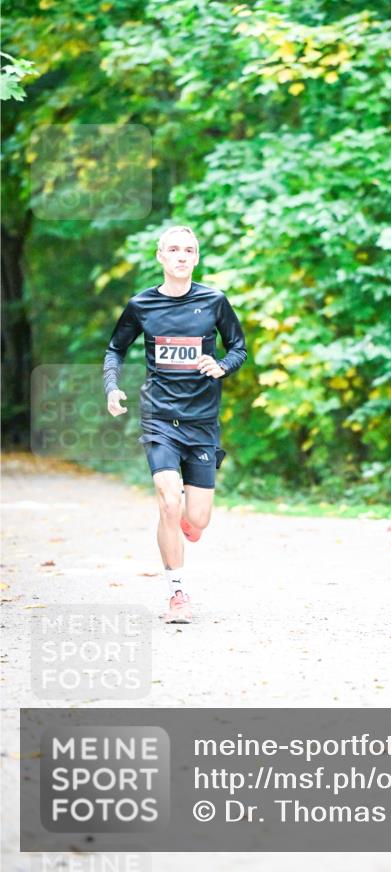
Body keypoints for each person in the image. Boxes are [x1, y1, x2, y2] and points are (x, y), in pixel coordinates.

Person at [103, 226, 247, 623]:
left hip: (202, 422)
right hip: (159, 417)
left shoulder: (214, 301)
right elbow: (115, 349)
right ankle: (177, 593)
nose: (181, 256)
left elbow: (239, 348)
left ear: (196, 258)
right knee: (168, 501)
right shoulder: (142, 305)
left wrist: (220, 366)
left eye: (189, 250)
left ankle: (187, 519)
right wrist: (112, 388)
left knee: (196, 519)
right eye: (173, 249)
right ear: (160, 256)